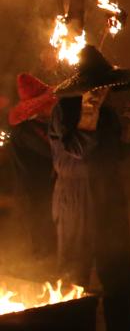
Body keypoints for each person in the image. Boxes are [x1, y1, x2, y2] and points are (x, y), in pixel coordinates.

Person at [49, 45, 130, 331]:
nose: (106, 93)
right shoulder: (64, 111)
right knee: (75, 273)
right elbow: (77, 152)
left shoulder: (106, 112)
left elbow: (115, 157)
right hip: (76, 198)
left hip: (108, 195)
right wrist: (88, 114)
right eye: (101, 87)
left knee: (118, 268)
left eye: (108, 87)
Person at [6, 73, 57, 258]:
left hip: (40, 186)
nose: (53, 105)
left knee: (43, 224)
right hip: (32, 187)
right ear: (41, 107)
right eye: (49, 103)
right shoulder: (24, 131)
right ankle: (40, 260)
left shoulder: (38, 125)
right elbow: (49, 152)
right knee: (38, 225)